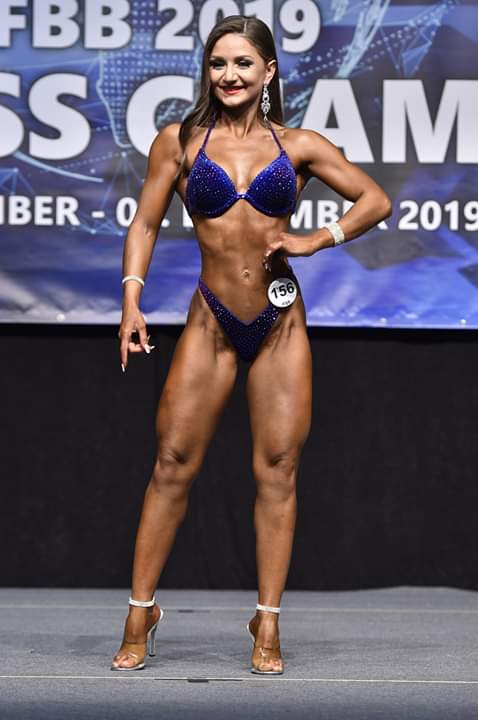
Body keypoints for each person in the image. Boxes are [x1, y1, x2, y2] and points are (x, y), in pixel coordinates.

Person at [111, 14, 392, 675]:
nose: (230, 75)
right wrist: (131, 301)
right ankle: (139, 611)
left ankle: (266, 621)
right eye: (218, 63)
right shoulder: (179, 142)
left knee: (279, 470)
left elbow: (375, 200)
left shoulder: (299, 145)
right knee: (172, 463)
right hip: (209, 322)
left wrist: (314, 239)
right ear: (207, 71)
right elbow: (145, 224)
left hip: (279, 324)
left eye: (243, 63)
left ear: (268, 72)